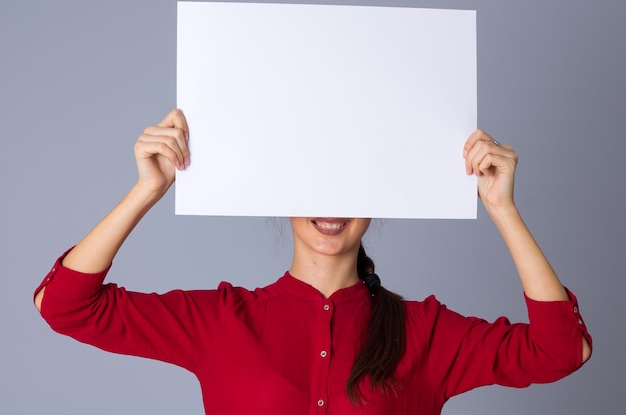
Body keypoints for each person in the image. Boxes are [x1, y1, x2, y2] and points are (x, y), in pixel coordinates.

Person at [34, 109, 591, 414]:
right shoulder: (221, 321)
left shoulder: (426, 333)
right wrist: (146, 191)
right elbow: (63, 306)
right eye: (314, 181)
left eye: (351, 185)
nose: (331, 205)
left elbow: (563, 351)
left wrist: (503, 210)